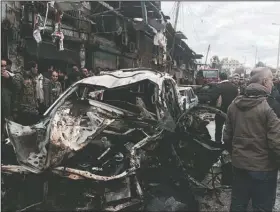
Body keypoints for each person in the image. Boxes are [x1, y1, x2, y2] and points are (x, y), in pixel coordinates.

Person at [223, 67, 280, 212]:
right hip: (264, 170)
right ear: (265, 81)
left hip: (239, 166)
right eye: (271, 80)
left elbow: (227, 137)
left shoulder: (234, 104)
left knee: (238, 205)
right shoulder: (271, 106)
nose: (273, 83)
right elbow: (276, 143)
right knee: (261, 207)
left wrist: (236, 155)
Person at [214, 72, 239, 143]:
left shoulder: (218, 86)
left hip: (220, 111)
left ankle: (218, 143)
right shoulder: (234, 87)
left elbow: (214, 98)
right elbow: (237, 99)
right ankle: (228, 143)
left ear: (220, 78)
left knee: (218, 128)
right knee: (229, 129)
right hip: (231, 111)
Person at [1, 59, 21, 137]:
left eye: (5, 66)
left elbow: (18, 87)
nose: (4, 68)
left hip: (7, 107)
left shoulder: (10, 75)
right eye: (1, 66)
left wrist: (9, 78)